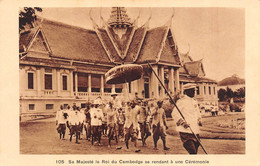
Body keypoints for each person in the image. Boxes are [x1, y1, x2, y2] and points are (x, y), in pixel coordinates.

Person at [172, 83, 202, 154]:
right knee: (192, 151)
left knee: (196, 147)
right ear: (186, 92)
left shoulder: (194, 101)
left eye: (194, 91)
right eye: (192, 91)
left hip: (195, 129)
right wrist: (182, 123)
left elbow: (197, 112)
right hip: (185, 130)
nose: (194, 92)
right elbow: (174, 113)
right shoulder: (182, 102)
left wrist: (199, 119)